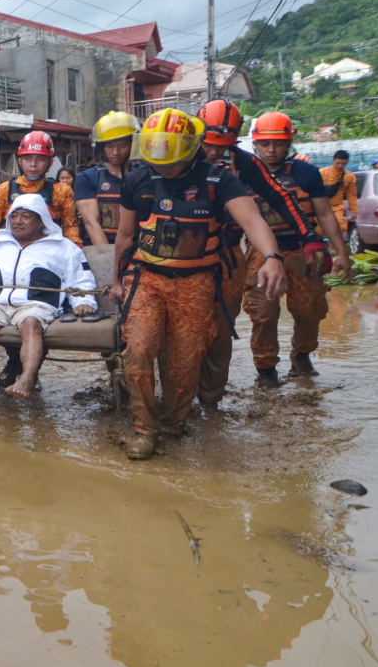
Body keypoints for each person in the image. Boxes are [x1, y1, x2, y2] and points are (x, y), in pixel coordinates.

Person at [113, 109, 289, 460]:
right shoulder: (137, 180)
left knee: (184, 363)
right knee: (140, 350)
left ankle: (173, 426)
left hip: (197, 282)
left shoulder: (218, 180)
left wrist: (272, 257)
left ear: (191, 149)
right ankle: (145, 429)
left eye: (170, 160)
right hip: (146, 280)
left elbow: (252, 221)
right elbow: (126, 235)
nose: (162, 167)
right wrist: (115, 280)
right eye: (156, 158)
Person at [195, 99, 325, 406]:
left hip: (226, 255)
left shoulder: (243, 164)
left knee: (224, 329)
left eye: (222, 146)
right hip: (179, 259)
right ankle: (178, 397)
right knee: (186, 329)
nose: (213, 153)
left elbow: (279, 197)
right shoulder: (179, 157)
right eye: (209, 145)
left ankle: (214, 401)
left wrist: (309, 235)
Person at [0, 194, 97, 400]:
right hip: (0, 301)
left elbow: (81, 278)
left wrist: (83, 301)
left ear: (40, 221)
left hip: (36, 303)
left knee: (30, 324)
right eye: (14, 216)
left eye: (26, 216)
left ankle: (27, 379)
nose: (18, 221)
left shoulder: (64, 247)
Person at [243, 112, 352, 383]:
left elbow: (325, 214)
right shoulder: (243, 174)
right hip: (263, 253)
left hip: (304, 251)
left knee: (309, 310)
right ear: (255, 144)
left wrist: (341, 253)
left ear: (288, 142)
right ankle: (266, 369)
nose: (271, 149)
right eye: (265, 144)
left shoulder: (306, 173)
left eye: (278, 143)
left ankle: (302, 355)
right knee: (263, 313)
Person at [0, 131, 83, 247]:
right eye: (28, 158)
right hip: (11, 253)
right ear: (20, 161)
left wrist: (76, 251)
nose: (33, 164)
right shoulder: (5, 189)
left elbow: (70, 227)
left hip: (48, 253)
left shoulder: (62, 191)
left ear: (50, 162)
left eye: (40, 159)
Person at [74, 111, 139, 247]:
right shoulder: (87, 178)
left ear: (132, 145)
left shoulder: (142, 175)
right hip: (100, 251)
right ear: (102, 148)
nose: (115, 152)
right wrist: (110, 260)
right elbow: (91, 223)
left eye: (122, 146)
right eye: (110, 146)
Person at [321, 150, 358, 236]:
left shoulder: (349, 176)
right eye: (338, 163)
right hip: (321, 207)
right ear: (332, 161)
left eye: (343, 163)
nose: (340, 165)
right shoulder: (322, 173)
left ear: (347, 162)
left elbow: (351, 195)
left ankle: (332, 246)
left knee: (341, 227)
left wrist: (354, 211)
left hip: (337, 207)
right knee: (320, 230)